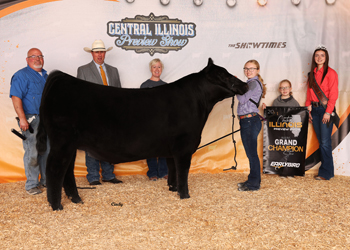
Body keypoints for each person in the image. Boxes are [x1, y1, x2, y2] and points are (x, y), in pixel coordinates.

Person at [77, 39, 123, 185]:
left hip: (110, 115)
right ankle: (93, 177)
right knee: (91, 145)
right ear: (92, 53)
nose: (99, 55)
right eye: (97, 52)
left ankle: (109, 175)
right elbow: (80, 94)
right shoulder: (83, 70)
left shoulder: (113, 71)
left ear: (105, 53)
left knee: (109, 145)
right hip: (91, 115)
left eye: (102, 52)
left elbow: (119, 94)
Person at [9, 48, 50, 195]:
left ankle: (46, 181)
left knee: (47, 151)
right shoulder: (21, 76)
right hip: (31, 120)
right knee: (32, 152)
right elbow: (16, 97)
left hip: (46, 119)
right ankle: (32, 184)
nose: (37, 59)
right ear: (27, 59)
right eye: (33, 56)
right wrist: (22, 118)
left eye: (40, 56)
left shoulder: (46, 76)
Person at [305, 45, 338, 181]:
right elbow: (309, 93)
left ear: (326, 58)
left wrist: (328, 112)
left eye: (322, 55)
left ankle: (325, 173)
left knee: (325, 143)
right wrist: (308, 107)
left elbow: (334, 94)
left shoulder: (331, 73)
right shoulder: (311, 74)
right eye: (317, 55)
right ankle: (328, 172)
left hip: (325, 111)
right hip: (315, 110)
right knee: (322, 142)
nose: (319, 58)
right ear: (314, 57)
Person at [236, 59, 266, 191]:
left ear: (257, 70)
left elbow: (242, 100)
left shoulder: (253, 84)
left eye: (252, 68)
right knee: (251, 153)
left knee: (252, 154)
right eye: (246, 68)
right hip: (247, 121)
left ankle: (254, 184)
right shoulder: (250, 83)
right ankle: (252, 180)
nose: (248, 71)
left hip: (250, 121)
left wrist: (235, 87)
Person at [262, 79, 300, 178]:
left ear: (290, 89)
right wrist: (266, 109)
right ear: (279, 89)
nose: (284, 89)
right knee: (280, 151)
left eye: (286, 87)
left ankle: (290, 172)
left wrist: (307, 111)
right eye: (282, 88)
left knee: (290, 151)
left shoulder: (294, 103)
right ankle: (282, 171)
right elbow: (272, 115)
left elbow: (299, 116)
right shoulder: (276, 102)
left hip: (290, 132)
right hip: (279, 132)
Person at [140, 58, 168, 181]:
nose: (157, 69)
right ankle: (152, 173)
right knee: (150, 149)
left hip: (163, 122)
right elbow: (140, 105)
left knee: (163, 148)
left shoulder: (167, 86)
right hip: (149, 122)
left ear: (162, 69)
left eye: (159, 67)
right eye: (154, 67)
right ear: (151, 69)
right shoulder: (144, 85)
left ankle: (163, 172)